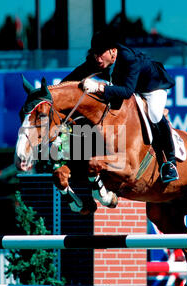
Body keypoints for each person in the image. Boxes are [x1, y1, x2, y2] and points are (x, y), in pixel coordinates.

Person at [62, 28, 178, 183]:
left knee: (155, 114)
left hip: (152, 89)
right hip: (131, 88)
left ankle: (170, 162)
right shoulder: (96, 59)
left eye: (100, 53)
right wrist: (56, 90)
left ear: (112, 51)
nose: (97, 59)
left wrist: (99, 87)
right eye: (95, 54)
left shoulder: (129, 59)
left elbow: (127, 91)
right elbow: (75, 75)